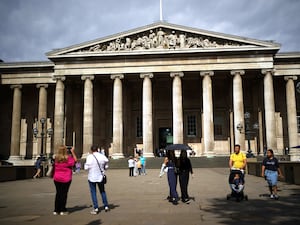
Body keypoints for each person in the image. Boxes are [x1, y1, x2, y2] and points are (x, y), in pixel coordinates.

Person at [84, 145, 110, 214]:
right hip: (100, 177)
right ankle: (106, 206)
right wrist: (104, 168)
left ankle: (96, 208)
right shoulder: (102, 156)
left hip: (92, 177)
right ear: (98, 150)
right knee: (102, 191)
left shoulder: (90, 157)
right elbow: (106, 164)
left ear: (91, 150)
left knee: (93, 193)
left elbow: (86, 168)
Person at [53, 145, 77, 215]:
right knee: (64, 194)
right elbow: (75, 161)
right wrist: (72, 152)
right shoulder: (68, 159)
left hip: (57, 178)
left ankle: (56, 210)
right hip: (66, 179)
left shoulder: (56, 158)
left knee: (58, 194)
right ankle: (62, 209)